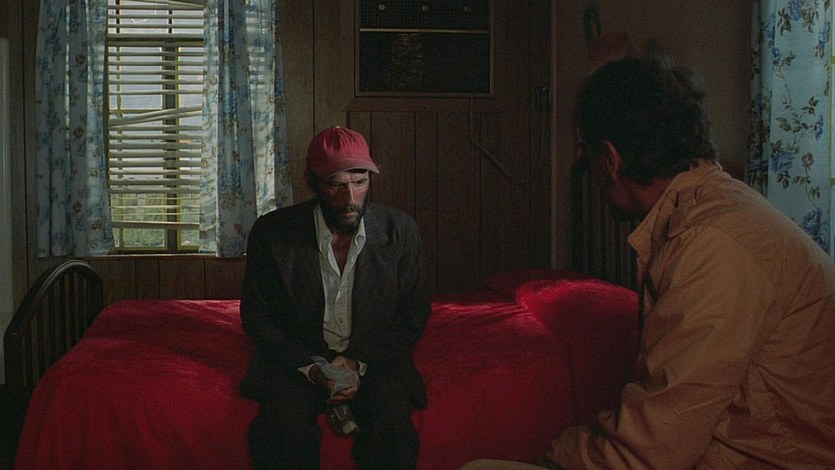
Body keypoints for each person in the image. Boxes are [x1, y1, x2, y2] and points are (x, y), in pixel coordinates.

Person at [462, 56, 835, 469]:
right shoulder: (714, 211)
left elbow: (651, 450)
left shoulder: (711, 244)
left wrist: (557, 453)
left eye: (585, 152)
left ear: (609, 159)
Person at [240, 126, 430, 469]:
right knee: (281, 430)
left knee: (393, 426)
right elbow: (258, 317)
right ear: (311, 183)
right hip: (299, 359)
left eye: (360, 182)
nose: (350, 198)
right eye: (335, 185)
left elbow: (413, 315)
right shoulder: (272, 232)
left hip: (375, 359)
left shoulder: (399, 230)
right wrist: (315, 369)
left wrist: (357, 362)